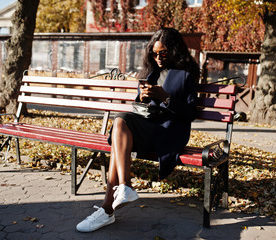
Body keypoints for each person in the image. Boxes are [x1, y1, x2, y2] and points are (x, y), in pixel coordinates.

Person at [76, 27, 200, 232]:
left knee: (119, 132)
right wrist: (142, 98)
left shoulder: (186, 74)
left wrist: (166, 98)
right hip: (149, 127)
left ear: (174, 51)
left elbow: (190, 113)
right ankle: (123, 188)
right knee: (120, 123)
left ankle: (109, 207)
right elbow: (140, 109)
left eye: (163, 53)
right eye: (154, 52)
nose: (158, 57)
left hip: (169, 132)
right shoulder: (151, 72)